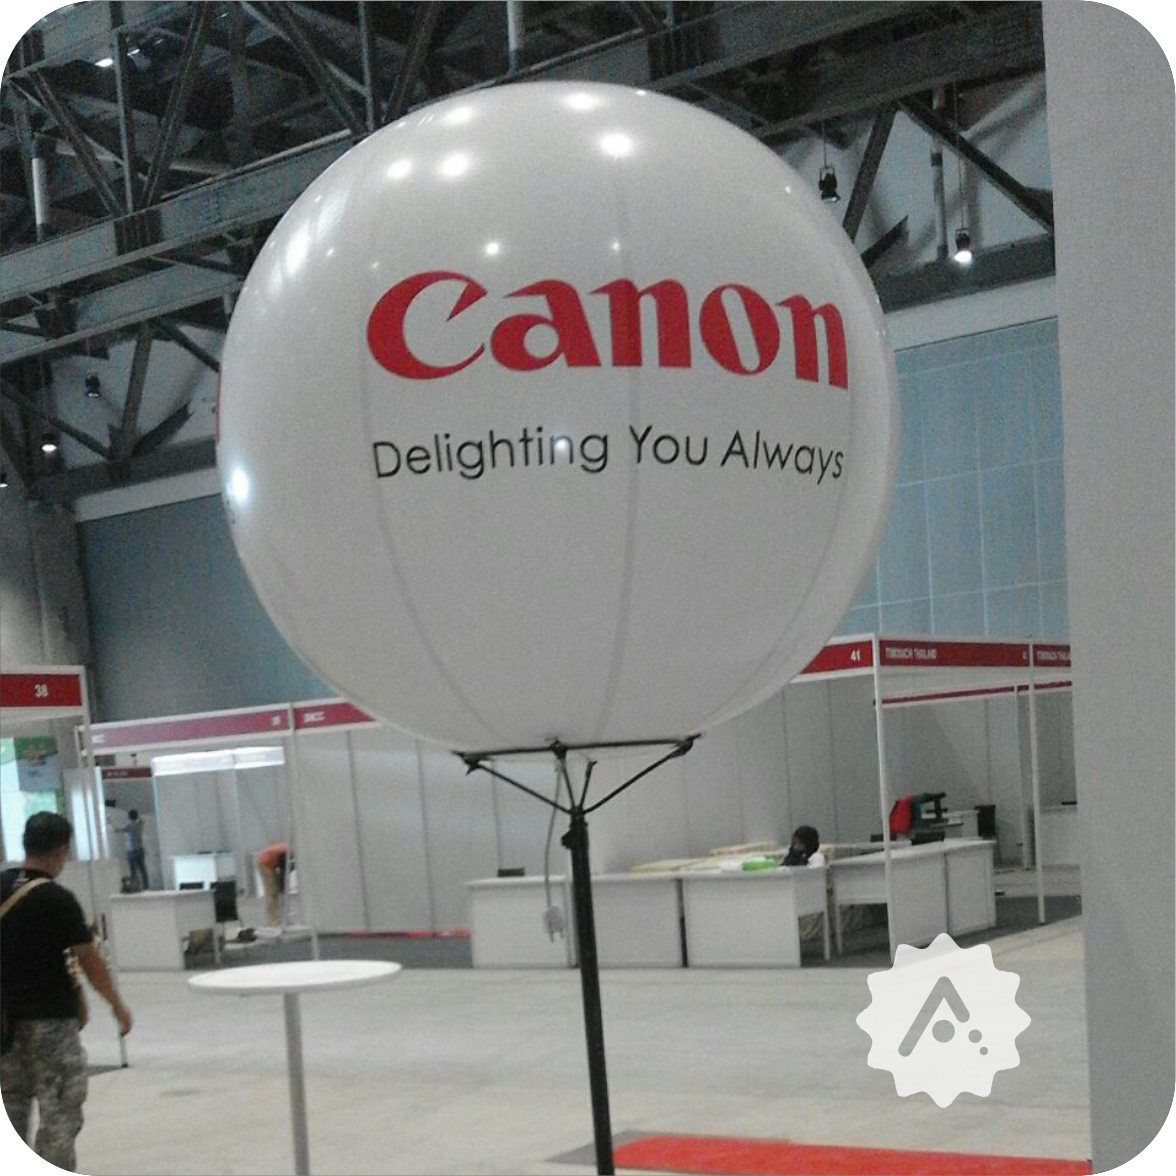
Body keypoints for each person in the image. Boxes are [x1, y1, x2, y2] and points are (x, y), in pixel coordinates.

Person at [0, 813, 133, 1171]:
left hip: (5, 1026)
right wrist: (117, 1005)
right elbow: (88, 959)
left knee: (10, 1111)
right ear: (60, 851)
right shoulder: (57, 899)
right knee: (59, 1114)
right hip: (51, 1024)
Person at [256, 841, 290, 925]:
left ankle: (278, 917)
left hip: (271, 861)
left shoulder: (287, 850)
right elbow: (283, 872)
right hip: (264, 863)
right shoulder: (285, 853)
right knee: (272, 892)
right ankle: (272, 919)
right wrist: (282, 888)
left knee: (276, 891)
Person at [123, 809, 149, 890]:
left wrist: (109, 824)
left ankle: (135, 887)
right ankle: (146, 886)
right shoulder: (140, 824)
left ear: (129, 817)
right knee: (143, 870)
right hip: (140, 850)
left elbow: (114, 830)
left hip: (131, 851)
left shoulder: (128, 827)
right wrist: (138, 817)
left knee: (133, 871)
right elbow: (142, 820)